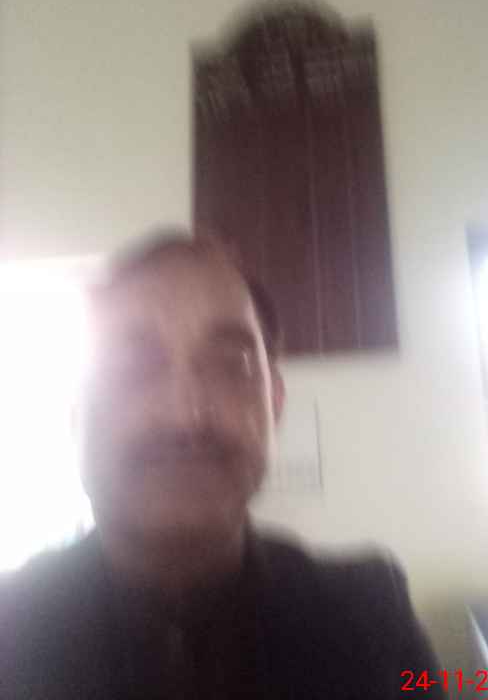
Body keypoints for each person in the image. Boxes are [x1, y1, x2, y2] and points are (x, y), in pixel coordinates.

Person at [0, 230, 444, 699]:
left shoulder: (373, 617)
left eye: (233, 364)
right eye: (130, 367)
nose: (184, 415)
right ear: (75, 415)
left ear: (274, 404)